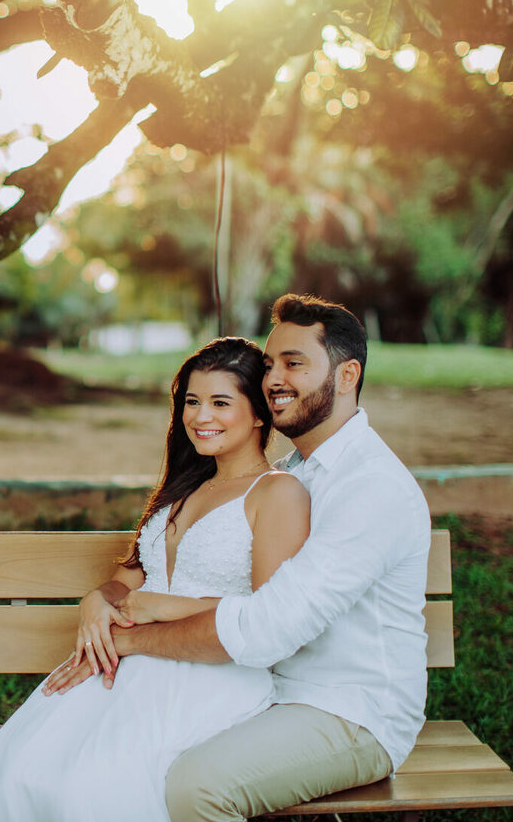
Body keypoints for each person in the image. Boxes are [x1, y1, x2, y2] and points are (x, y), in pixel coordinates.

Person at [43, 293, 431, 822]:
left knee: (195, 788)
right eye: (270, 364)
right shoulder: (298, 469)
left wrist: (132, 637)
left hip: (350, 711)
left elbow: (269, 627)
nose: (273, 379)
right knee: (111, 760)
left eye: (295, 364)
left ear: (346, 376)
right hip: (265, 689)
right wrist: (114, 603)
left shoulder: (370, 487)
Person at [0, 337, 311, 822]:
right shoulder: (186, 487)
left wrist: (163, 607)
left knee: (94, 787)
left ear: (260, 414)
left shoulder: (277, 493)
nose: (201, 416)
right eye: (192, 402)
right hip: (134, 658)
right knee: (25, 770)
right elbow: (129, 578)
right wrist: (98, 600)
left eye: (221, 403)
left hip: (214, 672)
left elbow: (273, 616)